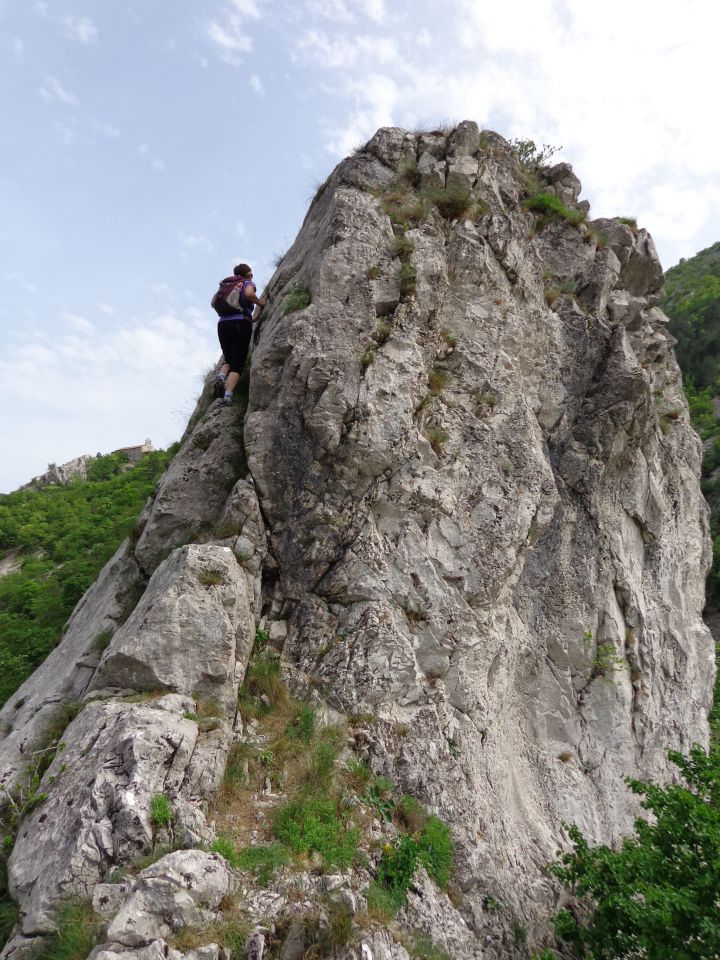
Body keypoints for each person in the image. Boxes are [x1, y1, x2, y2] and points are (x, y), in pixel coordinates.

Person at [214, 263, 267, 404]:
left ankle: (221, 376)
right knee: (237, 364)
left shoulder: (228, 285)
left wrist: (254, 318)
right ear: (248, 273)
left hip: (222, 324)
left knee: (229, 360)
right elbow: (249, 294)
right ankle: (228, 396)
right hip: (240, 324)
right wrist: (261, 303)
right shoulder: (247, 282)